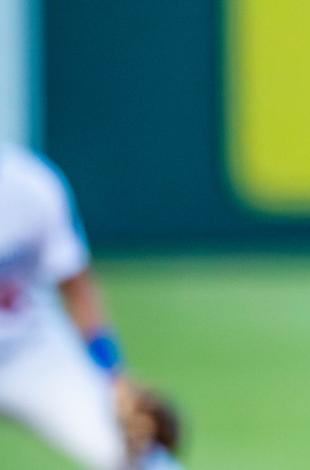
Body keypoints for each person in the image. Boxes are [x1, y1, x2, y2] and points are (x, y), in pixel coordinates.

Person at [0, 144, 181, 469]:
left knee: (132, 454)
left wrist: (112, 375)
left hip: (31, 353)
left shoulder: (31, 185)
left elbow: (78, 290)